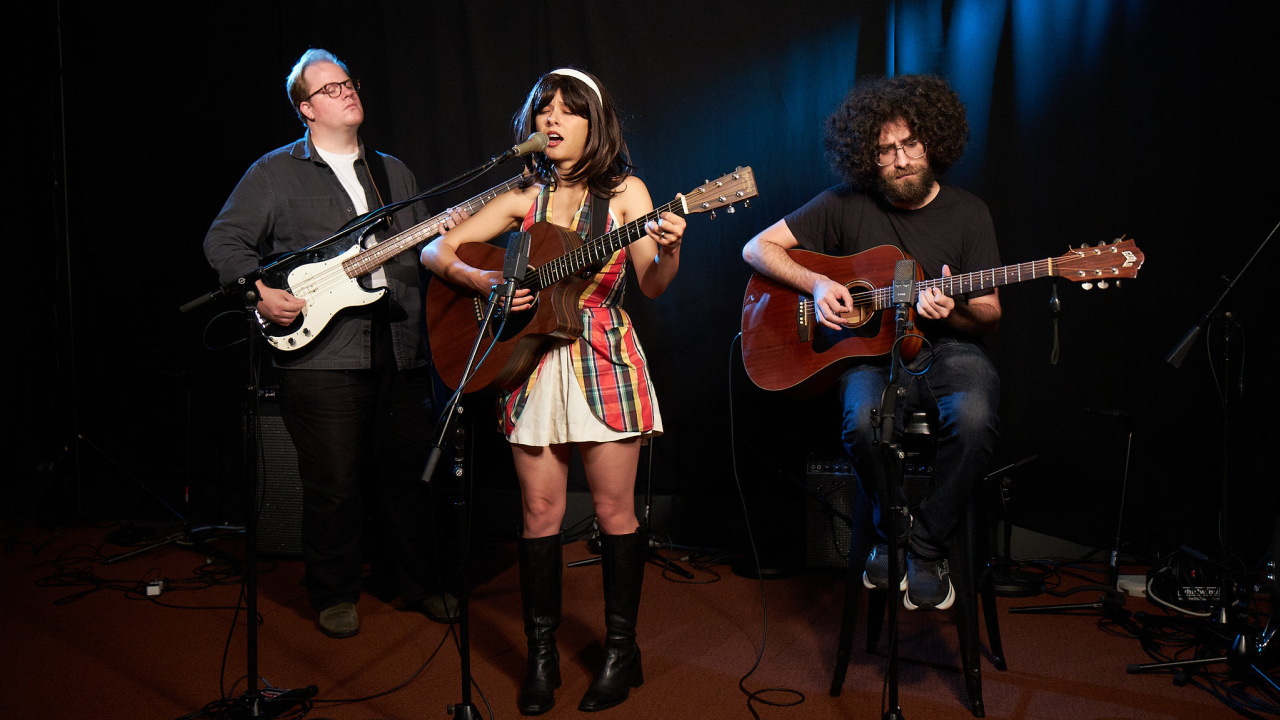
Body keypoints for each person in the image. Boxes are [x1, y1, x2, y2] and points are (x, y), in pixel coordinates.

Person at [420, 68, 684, 714]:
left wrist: (671, 247)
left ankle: (620, 651)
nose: (553, 121)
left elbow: (651, 284)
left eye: (569, 111)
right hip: (530, 362)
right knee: (539, 512)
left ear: (596, 124)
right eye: (545, 110)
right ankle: (542, 655)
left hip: (602, 356)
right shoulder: (521, 198)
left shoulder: (626, 194)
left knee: (614, 512)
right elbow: (437, 248)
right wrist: (483, 284)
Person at [204, 48, 458, 639]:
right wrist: (258, 293)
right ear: (305, 109)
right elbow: (225, 242)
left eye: (350, 82)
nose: (347, 91)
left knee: (409, 478)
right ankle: (334, 592)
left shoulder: (393, 173)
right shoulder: (273, 172)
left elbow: (425, 246)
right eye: (331, 87)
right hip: (321, 357)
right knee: (333, 483)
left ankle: (418, 582)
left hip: (399, 346)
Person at [742, 74, 1001, 611]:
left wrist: (953, 309)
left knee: (975, 417)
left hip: (947, 350)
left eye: (911, 144)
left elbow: (991, 313)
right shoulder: (844, 204)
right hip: (870, 356)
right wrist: (817, 284)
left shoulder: (969, 213)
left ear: (934, 140)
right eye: (886, 150)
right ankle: (890, 526)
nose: (902, 159)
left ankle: (922, 544)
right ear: (866, 156)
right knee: (860, 423)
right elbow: (756, 248)